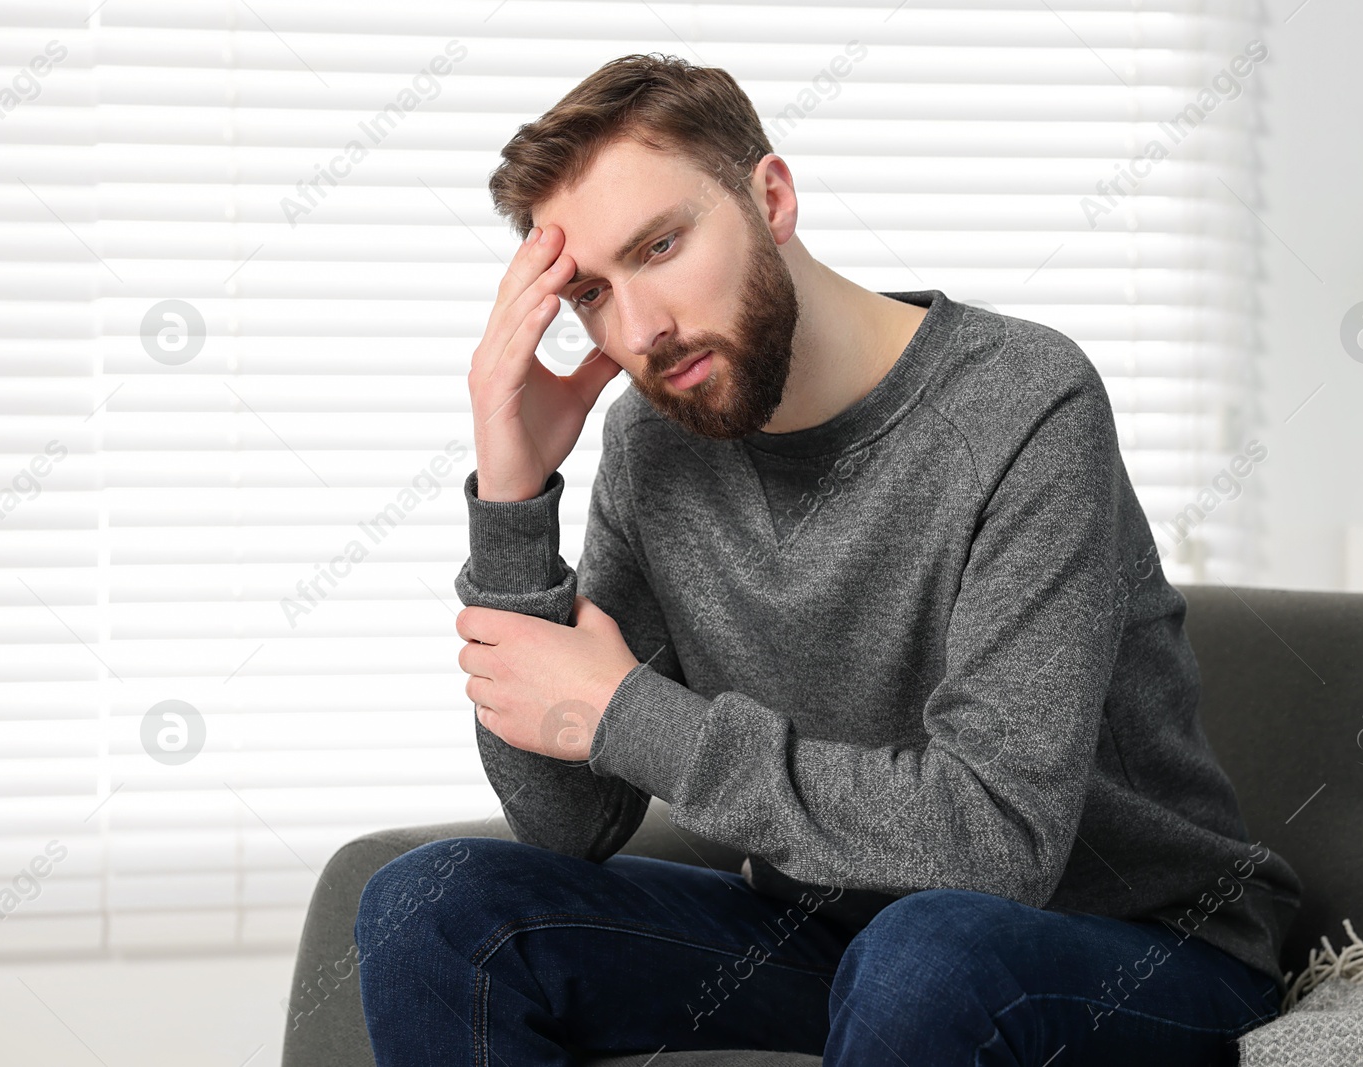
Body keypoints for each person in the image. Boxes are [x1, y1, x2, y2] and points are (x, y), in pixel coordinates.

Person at [354, 51, 1303, 1066]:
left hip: (1141, 948)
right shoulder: (652, 442)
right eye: (590, 293)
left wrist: (629, 711)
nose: (641, 329)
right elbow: (569, 824)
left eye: (663, 245)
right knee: (432, 903)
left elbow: (996, 843)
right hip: (840, 939)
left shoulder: (1023, 402)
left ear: (771, 197)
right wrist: (513, 496)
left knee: (926, 951)